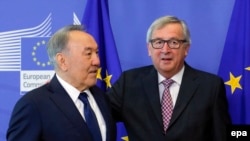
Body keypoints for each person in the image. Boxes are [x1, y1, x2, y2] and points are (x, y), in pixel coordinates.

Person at [107, 15, 231, 141]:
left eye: (174, 42)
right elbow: (98, 113)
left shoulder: (210, 87)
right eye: (158, 42)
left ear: (186, 49)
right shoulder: (128, 83)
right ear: (149, 49)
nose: (165, 50)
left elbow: (223, 135)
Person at [6, 25, 116, 141]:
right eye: (88, 54)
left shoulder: (101, 97)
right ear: (62, 61)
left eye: (97, 53)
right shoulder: (33, 104)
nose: (97, 61)